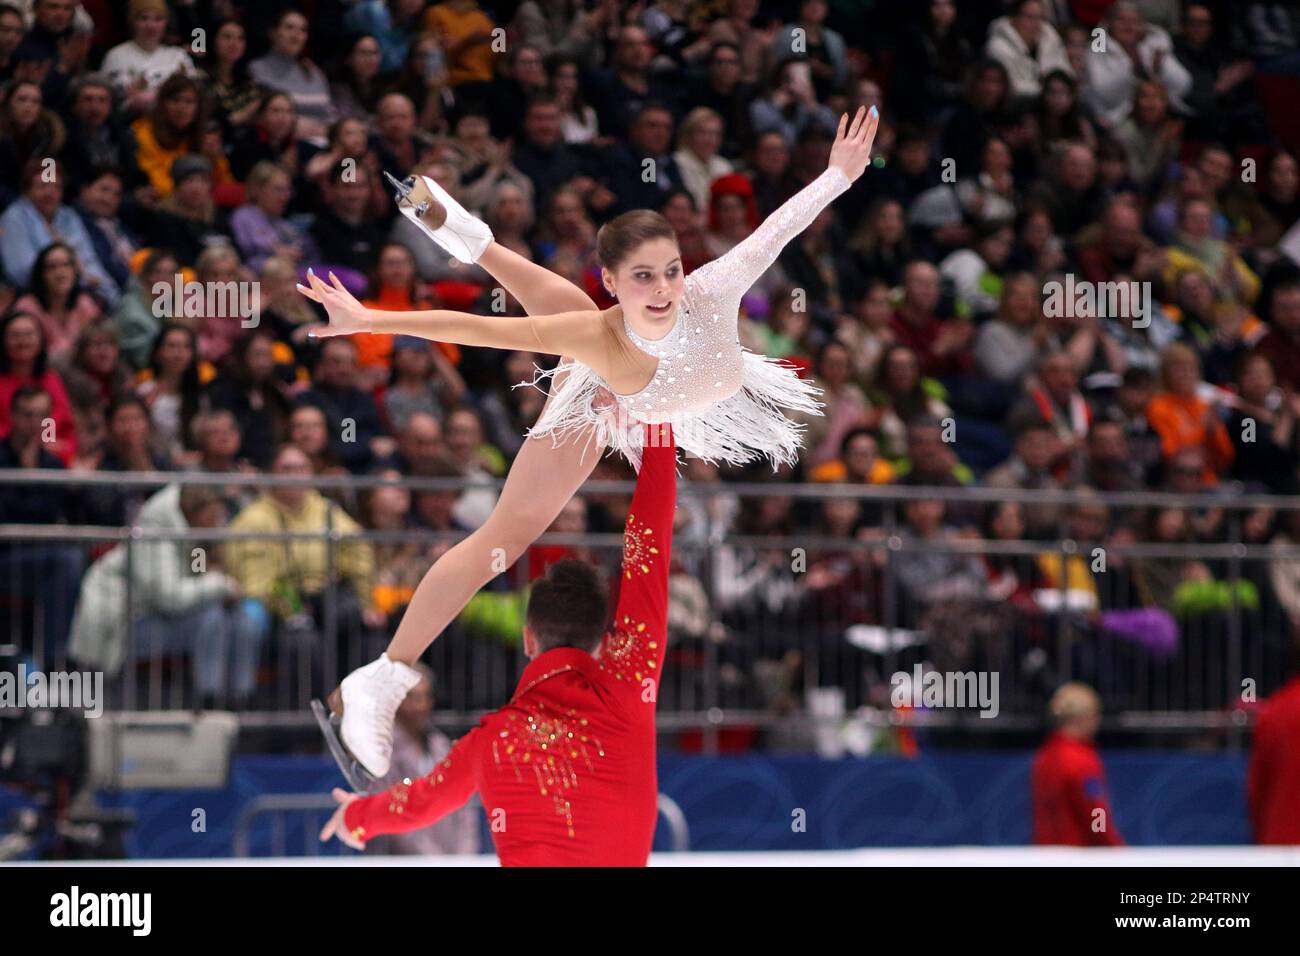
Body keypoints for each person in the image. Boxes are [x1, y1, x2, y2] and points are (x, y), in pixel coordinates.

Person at [299, 105, 876, 779]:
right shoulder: (596, 336)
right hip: (599, 400)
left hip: (670, 394)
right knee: (501, 539)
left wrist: (837, 176)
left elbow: (778, 230)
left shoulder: (710, 291)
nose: (662, 289)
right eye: (642, 278)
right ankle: (385, 676)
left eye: (669, 270)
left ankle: (463, 231)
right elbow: (481, 331)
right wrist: (373, 318)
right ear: (614, 282)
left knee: (563, 307)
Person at [320, 421, 678, 865]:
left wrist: (358, 817)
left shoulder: (493, 738)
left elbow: (420, 803)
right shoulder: (627, 690)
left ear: (528, 639)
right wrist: (659, 431)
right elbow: (650, 550)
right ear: (603, 644)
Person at [363, 664, 482, 856]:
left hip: (453, 858)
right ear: (397, 700)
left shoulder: (441, 745)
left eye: (425, 697)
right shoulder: (382, 751)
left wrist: (464, 856)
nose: (421, 705)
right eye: (413, 697)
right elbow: (388, 808)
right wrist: (431, 858)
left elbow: (465, 807)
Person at [1031, 682, 1125, 846]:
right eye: (1096, 716)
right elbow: (1095, 811)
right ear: (1084, 718)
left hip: (1045, 853)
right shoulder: (1082, 761)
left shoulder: (1043, 757)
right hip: (1078, 855)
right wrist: (1114, 850)